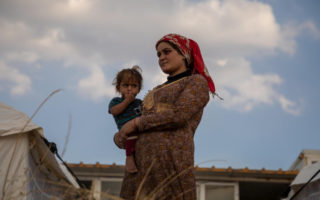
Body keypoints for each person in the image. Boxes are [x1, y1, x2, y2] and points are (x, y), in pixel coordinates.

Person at [114, 33, 216, 200]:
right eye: (159, 54)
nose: (161, 57)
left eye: (167, 52)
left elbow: (179, 115)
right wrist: (120, 136)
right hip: (138, 172)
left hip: (171, 164)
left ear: (184, 54)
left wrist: (137, 122)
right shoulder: (154, 91)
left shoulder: (195, 82)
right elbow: (130, 128)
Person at [109, 65, 143, 173]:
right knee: (131, 137)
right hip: (125, 131)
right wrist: (127, 101)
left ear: (138, 89)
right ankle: (129, 158)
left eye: (134, 86)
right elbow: (114, 111)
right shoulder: (116, 101)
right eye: (126, 85)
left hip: (139, 128)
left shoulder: (140, 103)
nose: (129, 88)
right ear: (118, 88)